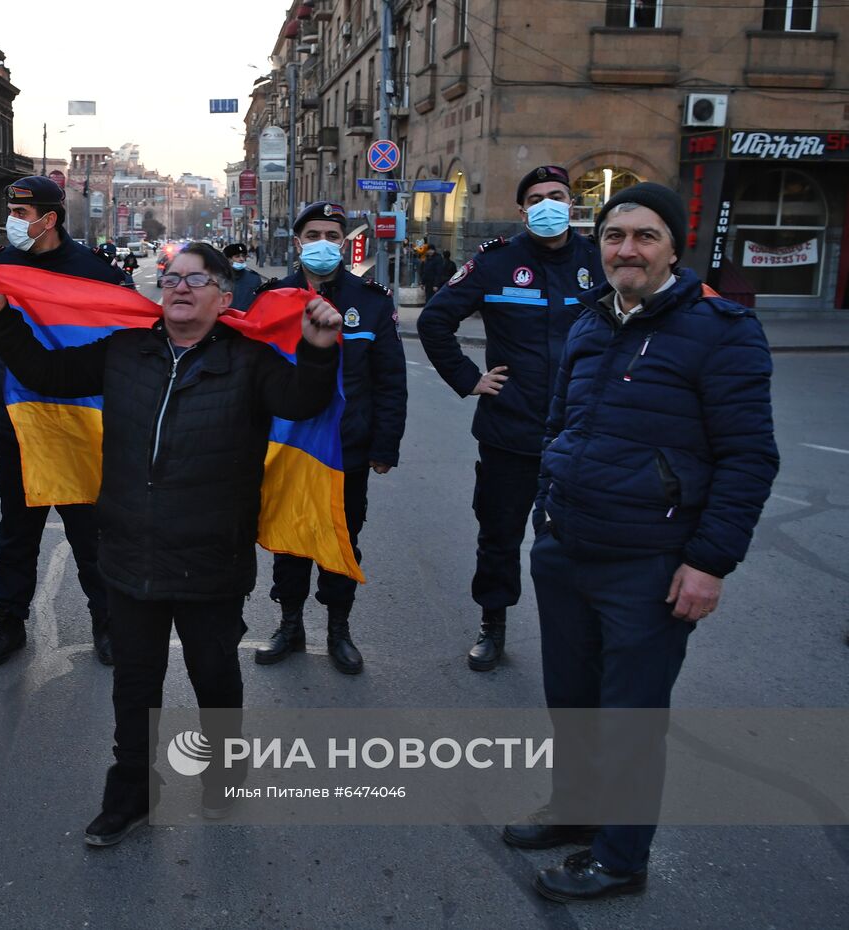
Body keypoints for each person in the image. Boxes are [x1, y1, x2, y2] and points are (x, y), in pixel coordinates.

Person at [0, 242, 343, 847]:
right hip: (129, 551)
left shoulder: (248, 362)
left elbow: (302, 401)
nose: (179, 287)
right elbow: (48, 373)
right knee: (135, 681)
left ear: (225, 298)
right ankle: (132, 792)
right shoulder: (125, 350)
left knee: (213, 672)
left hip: (210, 555)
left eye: (197, 280)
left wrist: (319, 353)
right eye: (170, 278)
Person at [513, 182, 778, 901]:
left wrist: (709, 563)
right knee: (570, 697)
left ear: (673, 247)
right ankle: (576, 811)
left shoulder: (723, 331)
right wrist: (548, 507)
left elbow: (750, 457)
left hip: (650, 564)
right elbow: (561, 424)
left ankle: (621, 858)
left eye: (644, 235)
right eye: (613, 236)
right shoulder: (591, 321)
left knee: (629, 714)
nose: (625, 248)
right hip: (567, 547)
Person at [416, 165, 604, 673]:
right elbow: (435, 319)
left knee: (580, 539)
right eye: (537, 198)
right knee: (499, 533)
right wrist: (469, 377)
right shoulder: (497, 263)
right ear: (523, 211)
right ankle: (492, 625)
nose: (548, 204)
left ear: (572, 205)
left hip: (581, 434)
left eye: (558, 196)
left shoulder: (598, 260)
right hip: (510, 431)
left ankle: (577, 634)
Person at [0, 176, 126, 668]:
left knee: (88, 533)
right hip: (18, 424)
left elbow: (116, 343)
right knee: (17, 533)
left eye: (22, 214)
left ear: (50, 219)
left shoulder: (92, 272)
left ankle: (106, 623)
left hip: (76, 423)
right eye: (12, 213)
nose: (14, 222)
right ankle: (8, 624)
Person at [254, 202, 407, 674]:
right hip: (289, 447)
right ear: (297, 241)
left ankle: (339, 630)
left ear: (344, 243)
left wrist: (385, 447)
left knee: (342, 539)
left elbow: (390, 381)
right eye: (314, 233)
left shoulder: (372, 301)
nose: (324, 242)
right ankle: (290, 624)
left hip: (348, 449)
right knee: (290, 540)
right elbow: (254, 378)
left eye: (333, 235)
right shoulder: (272, 298)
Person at [222, 243, 264, 310]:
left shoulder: (254, 278)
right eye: (237, 256)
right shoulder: (221, 278)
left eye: (243, 256)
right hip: (226, 318)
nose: (241, 259)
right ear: (229, 259)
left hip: (247, 318)